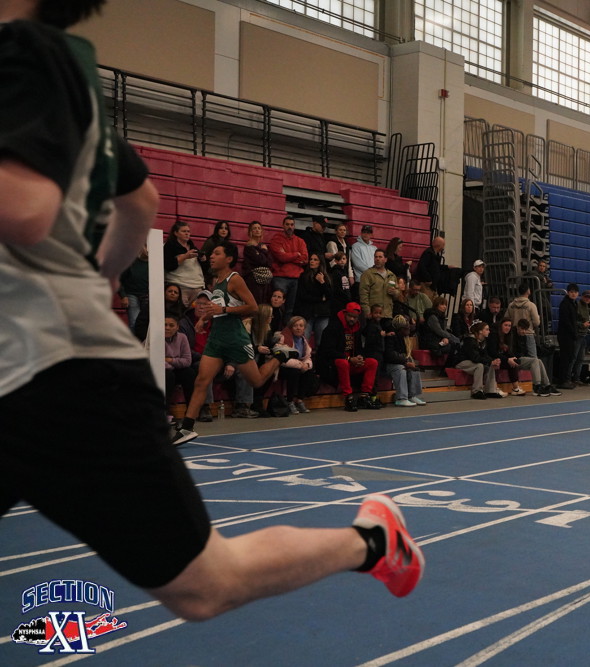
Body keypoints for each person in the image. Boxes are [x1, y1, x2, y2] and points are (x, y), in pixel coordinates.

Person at [0, 0, 423, 624]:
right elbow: (140, 200)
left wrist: (91, 288)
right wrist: (98, 279)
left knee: (205, 584)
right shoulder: (59, 79)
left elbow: (29, 207)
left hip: (51, 376)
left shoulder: (22, 56)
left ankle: (372, 541)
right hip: (44, 353)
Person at [173, 244, 297, 444]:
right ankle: (187, 428)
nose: (211, 256)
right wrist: (204, 318)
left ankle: (279, 356)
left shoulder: (235, 279)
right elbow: (218, 307)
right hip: (217, 338)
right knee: (201, 380)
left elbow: (253, 307)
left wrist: (223, 311)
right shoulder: (217, 281)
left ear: (229, 259)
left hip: (235, 339)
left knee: (256, 381)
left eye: (217, 253)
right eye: (212, 253)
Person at [319, 302, 381, 412]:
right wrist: (348, 359)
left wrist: (360, 357)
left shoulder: (357, 328)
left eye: (355, 317)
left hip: (351, 362)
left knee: (372, 362)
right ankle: (348, 397)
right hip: (332, 364)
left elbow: (359, 348)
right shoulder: (333, 327)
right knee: (343, 363)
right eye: (350, 316)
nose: (352, 319)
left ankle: (364, 396)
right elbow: (327, 351)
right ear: (345, 314)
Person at [269, 215, 308, 317]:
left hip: (296, 278)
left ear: (294, 226)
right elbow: (281, 257)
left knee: (290, 309)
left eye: (291, 224)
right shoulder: (276, 239)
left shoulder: (300, 241)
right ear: (283, 225)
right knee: (277, 307)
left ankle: (286, 327)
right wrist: (296, 254)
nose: (289, 227)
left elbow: (304, 259)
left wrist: (287, 255)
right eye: (287, 224)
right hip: (280, 277)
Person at [294, 252, 335, 346]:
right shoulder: (304, 276)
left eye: (315, 260)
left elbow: (330, 295)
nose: (312, 261)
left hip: (322, 313)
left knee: (321, 342)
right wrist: (320, 299)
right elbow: (303, 295)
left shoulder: (327, 277)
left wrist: (322, 282)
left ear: (320, 262)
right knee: (304, 340)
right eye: (311, 259)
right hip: (307, 313)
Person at [278, 315, 317, 415]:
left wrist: (306, 365)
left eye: (301, 326)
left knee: (308, 371)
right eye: (295, 326)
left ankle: (299, 400)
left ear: (304, 328)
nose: (298, 328)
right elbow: (283, 358)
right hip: (282, 367)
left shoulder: (303, 340)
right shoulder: (283, 338)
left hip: (297, 365)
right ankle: (289, 401)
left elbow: (307, 356)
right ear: (291, 327)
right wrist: (300, 365)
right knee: (294, 372)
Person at [384, 315, 425, 407]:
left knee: (414, 368)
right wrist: (405, 362)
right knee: (400, 369)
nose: (409, 330)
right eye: (406, 329)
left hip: (400, 362)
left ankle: (412, 395)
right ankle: (401, 398)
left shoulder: (404, 338)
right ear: (400, 329)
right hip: (389, 365)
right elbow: (390, 355)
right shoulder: (391, 337)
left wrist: (407, 362)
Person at [456, 321, 502, 399]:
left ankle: (490, 391)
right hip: (461, 362)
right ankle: (476, 391)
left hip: (472, 362)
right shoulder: (470, 340)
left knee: (491, 365)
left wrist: (494, 361)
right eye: (487, 329)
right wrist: (490, 361)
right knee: (479, 366)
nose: (489, 331)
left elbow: (485, 355)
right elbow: (474, 357)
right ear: (480, 331)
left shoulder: (483, 341)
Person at [164, 220, 204, 306]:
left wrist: (203, 259)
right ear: (176, 233)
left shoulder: (192, 246)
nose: (187, 233)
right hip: (180, 285)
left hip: (197, 285)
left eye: (188, 231)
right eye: (184, 231)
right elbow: (168, 265)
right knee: (180, 311)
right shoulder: (169, 246)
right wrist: (185, 256)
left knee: (195, 312)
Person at [119, 245, 150, 338]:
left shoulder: (155, 263)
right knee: (134, 321)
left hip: (148, 295)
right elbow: (119, 280)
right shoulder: (130, 262)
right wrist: (123, 296)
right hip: (131, 294)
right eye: (146, 247)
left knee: (147, 322)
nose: (148, 250)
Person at [241, 220, 273, 306]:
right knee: (256, 303)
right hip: (253, 279)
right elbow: (260, 260)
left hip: (265, 279)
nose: (257, 230)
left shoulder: (263, 245)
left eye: (259, 228)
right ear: (250, 231)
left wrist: (261, 252)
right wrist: (264, 251)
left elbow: (269, 262)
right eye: (254, 228)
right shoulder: (249, 247)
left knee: (264, 304)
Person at [359, 249, 398, 318]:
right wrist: (366, 310)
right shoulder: (367, 274)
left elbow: (398, 293)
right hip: (373, 314)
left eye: (380, 257)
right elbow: (363, 294)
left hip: (387, 314)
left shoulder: (391, 275)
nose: (377, 259)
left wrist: (395, 292)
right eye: (376, 257)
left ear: (385, 259)